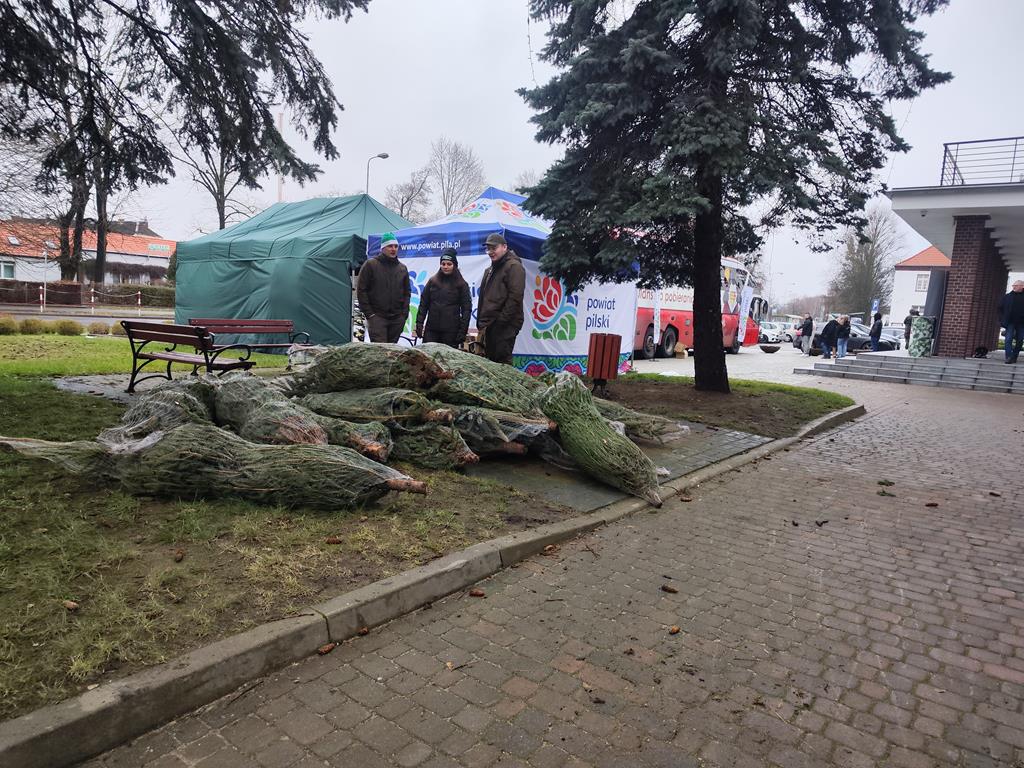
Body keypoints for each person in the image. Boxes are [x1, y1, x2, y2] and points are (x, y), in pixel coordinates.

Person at [476, 232, 526, 364]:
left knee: (502, 363)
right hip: (490, 325)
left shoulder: (514, 267)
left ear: (504, 247)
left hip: (505, 325)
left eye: (494, 248)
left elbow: (515, 297)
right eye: (488, 248)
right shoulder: (490, 270)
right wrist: (481, 322)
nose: (490, 252)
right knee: (491, 363)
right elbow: (483, 297)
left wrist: (501, 322)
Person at [357, 232, 410, 344]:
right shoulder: (371, 265)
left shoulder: (402, 268)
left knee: (392, 353)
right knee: (380, 353)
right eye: (390, 246)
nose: (393, 249)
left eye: (396, 246)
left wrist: (403, 315)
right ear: (383, 248)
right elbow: (361, 290)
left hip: (397, 319)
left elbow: (407, 293)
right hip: (377, 317)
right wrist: (370, 314)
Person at [413, 248, 472, 348]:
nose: (445, 267)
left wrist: (462, 331)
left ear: (455, 265)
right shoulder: (432, 282)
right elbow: (424, 304)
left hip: (451, 332)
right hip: (431, 330)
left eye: (449, 264)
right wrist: (419, 323)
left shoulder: (462, 285)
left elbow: (466, 310)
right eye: (443, 264)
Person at [999, 279, 1024, 364]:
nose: (1013, 287)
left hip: (1022, 323)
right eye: (1013, 285)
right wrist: (1002, 319)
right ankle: (1008, 357)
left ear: (1022, 286)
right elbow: (1000, 308)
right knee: (1008, 339)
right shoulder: (1007, 296)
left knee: (1020, 340)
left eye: (1016, 285)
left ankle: (1014, 356)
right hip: (1010, 322)